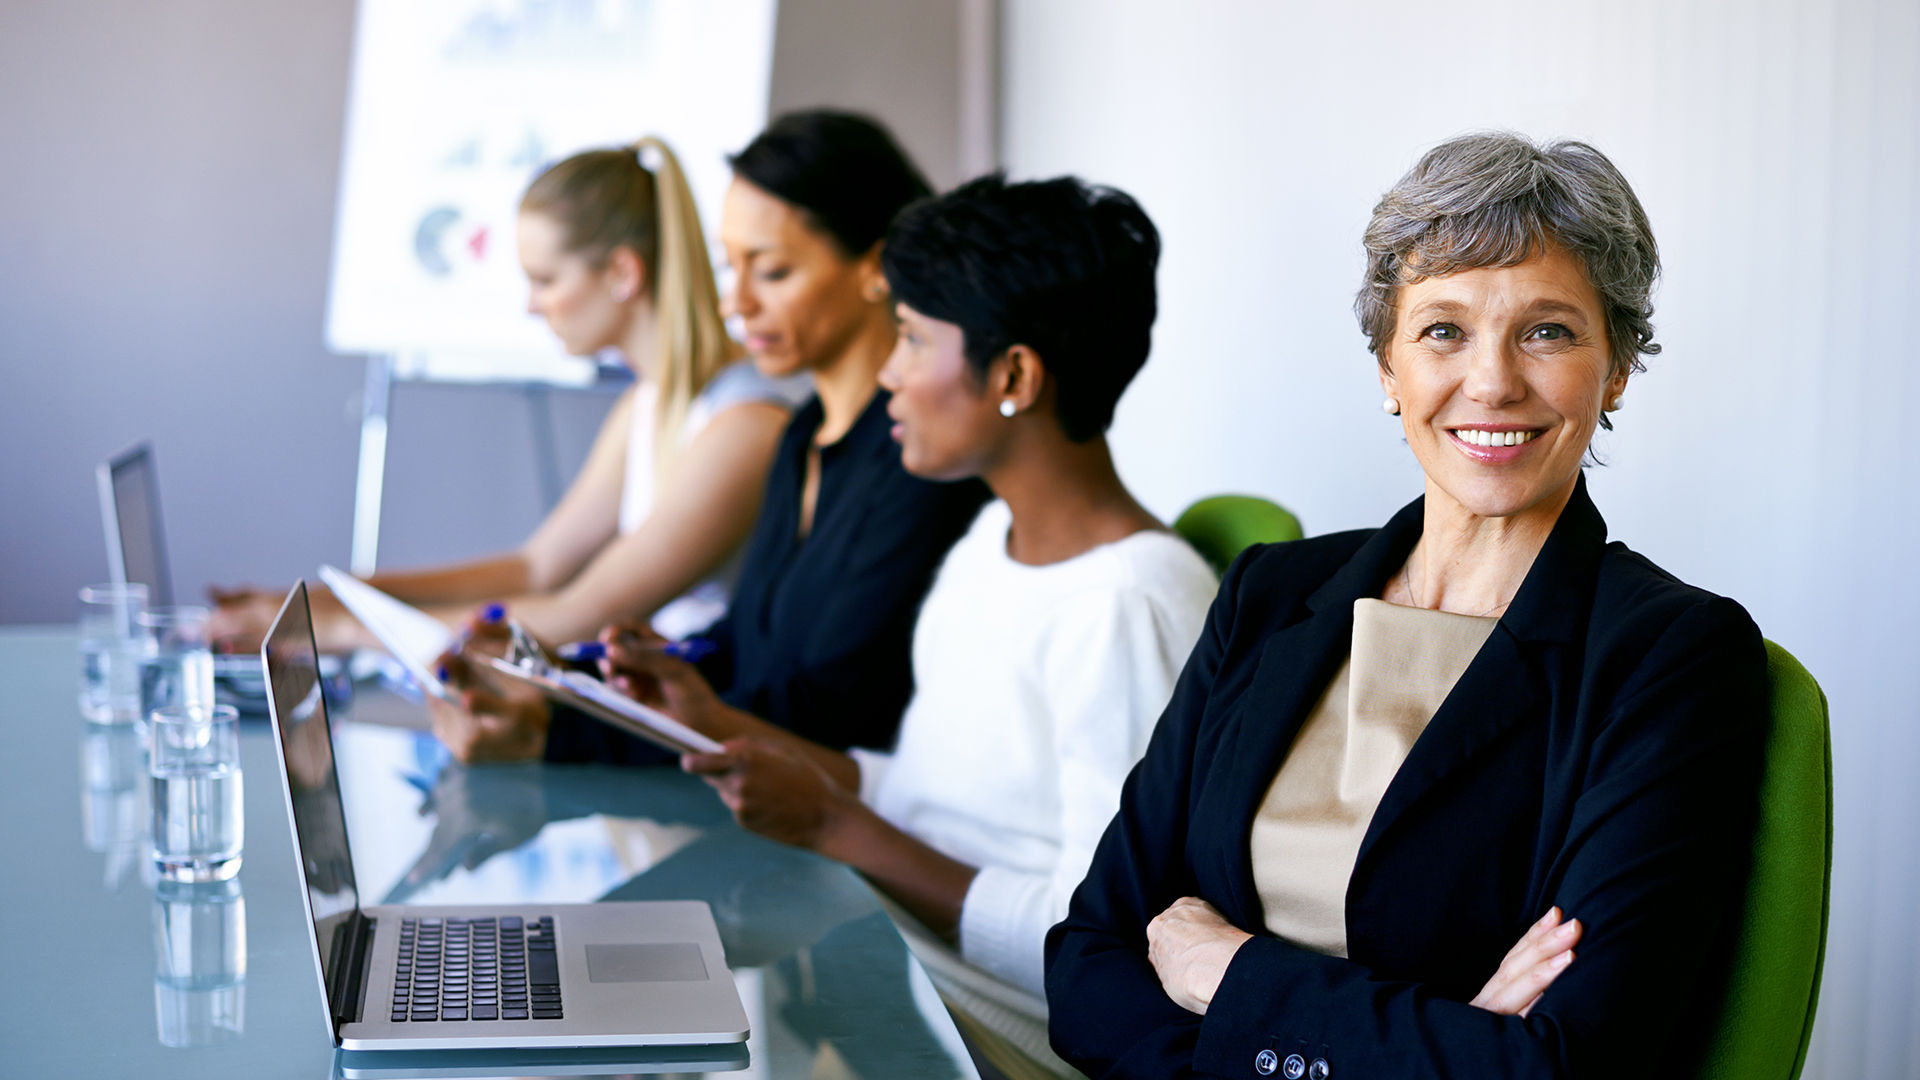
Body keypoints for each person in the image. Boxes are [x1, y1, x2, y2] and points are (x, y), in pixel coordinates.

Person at [1045, 133, 1768, 1080]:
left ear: (1618, 366)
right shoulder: (1270, 594)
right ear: (1389, 367)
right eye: (1442, 330)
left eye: (1548, 330)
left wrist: (1233, 976)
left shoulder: (1671, 659)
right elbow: (1091, 955)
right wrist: (1434, 1038)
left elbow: (1560, 1068)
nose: (1493, 381)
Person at [599, 174, 1216, 1076]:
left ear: (1012, 376)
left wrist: (834, 828)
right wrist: (712, 718)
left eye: (914, 339)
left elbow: (1106, 942)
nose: (886, 370)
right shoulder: (990, 539)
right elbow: (937, 797)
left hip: (988, 1033)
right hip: (893, 956)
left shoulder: (1123, 605)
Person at [434, 110, 990, 762]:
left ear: (874, 267)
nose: (736, 302)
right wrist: (578, 686)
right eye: (732, 267)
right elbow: (741, 653)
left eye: (773, 271)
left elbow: (828, 714)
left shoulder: (919, 462)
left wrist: (560, 729)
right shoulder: (803, 435)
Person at [209, 137, 810, 652]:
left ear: (623, 274)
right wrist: (329, 597)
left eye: (545, 280)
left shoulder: (742, 424)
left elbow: (579, 611)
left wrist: (334, 628)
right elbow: (537, 566)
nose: (530, 304)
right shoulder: (649, 404)